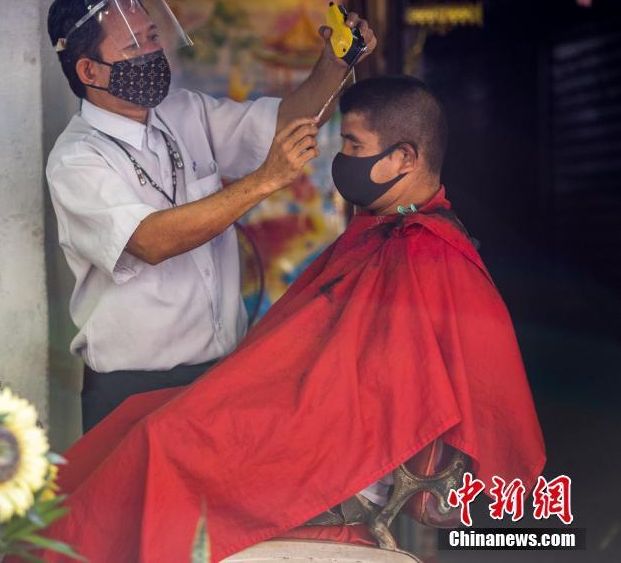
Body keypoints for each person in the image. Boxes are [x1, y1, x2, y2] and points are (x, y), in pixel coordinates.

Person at [41, 76, 547, 562]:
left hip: (339, 446)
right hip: (310, 410)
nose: (341, 158)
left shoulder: (428, 254)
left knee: (162, 441)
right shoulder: (383, 230)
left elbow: (386, 394)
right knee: (138, 419)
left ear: (404, 158)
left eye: (353, 145)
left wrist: (281, 399)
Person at [45, 0, 376, 432]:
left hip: (220, 375)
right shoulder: (77, 159)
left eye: (153, 35)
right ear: (88, 70)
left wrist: (336, 62)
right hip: (131, 390)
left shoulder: (182, 111)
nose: (153, 51)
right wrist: (264, 181)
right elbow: (150, 240)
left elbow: (284, 125)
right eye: (135, 45)